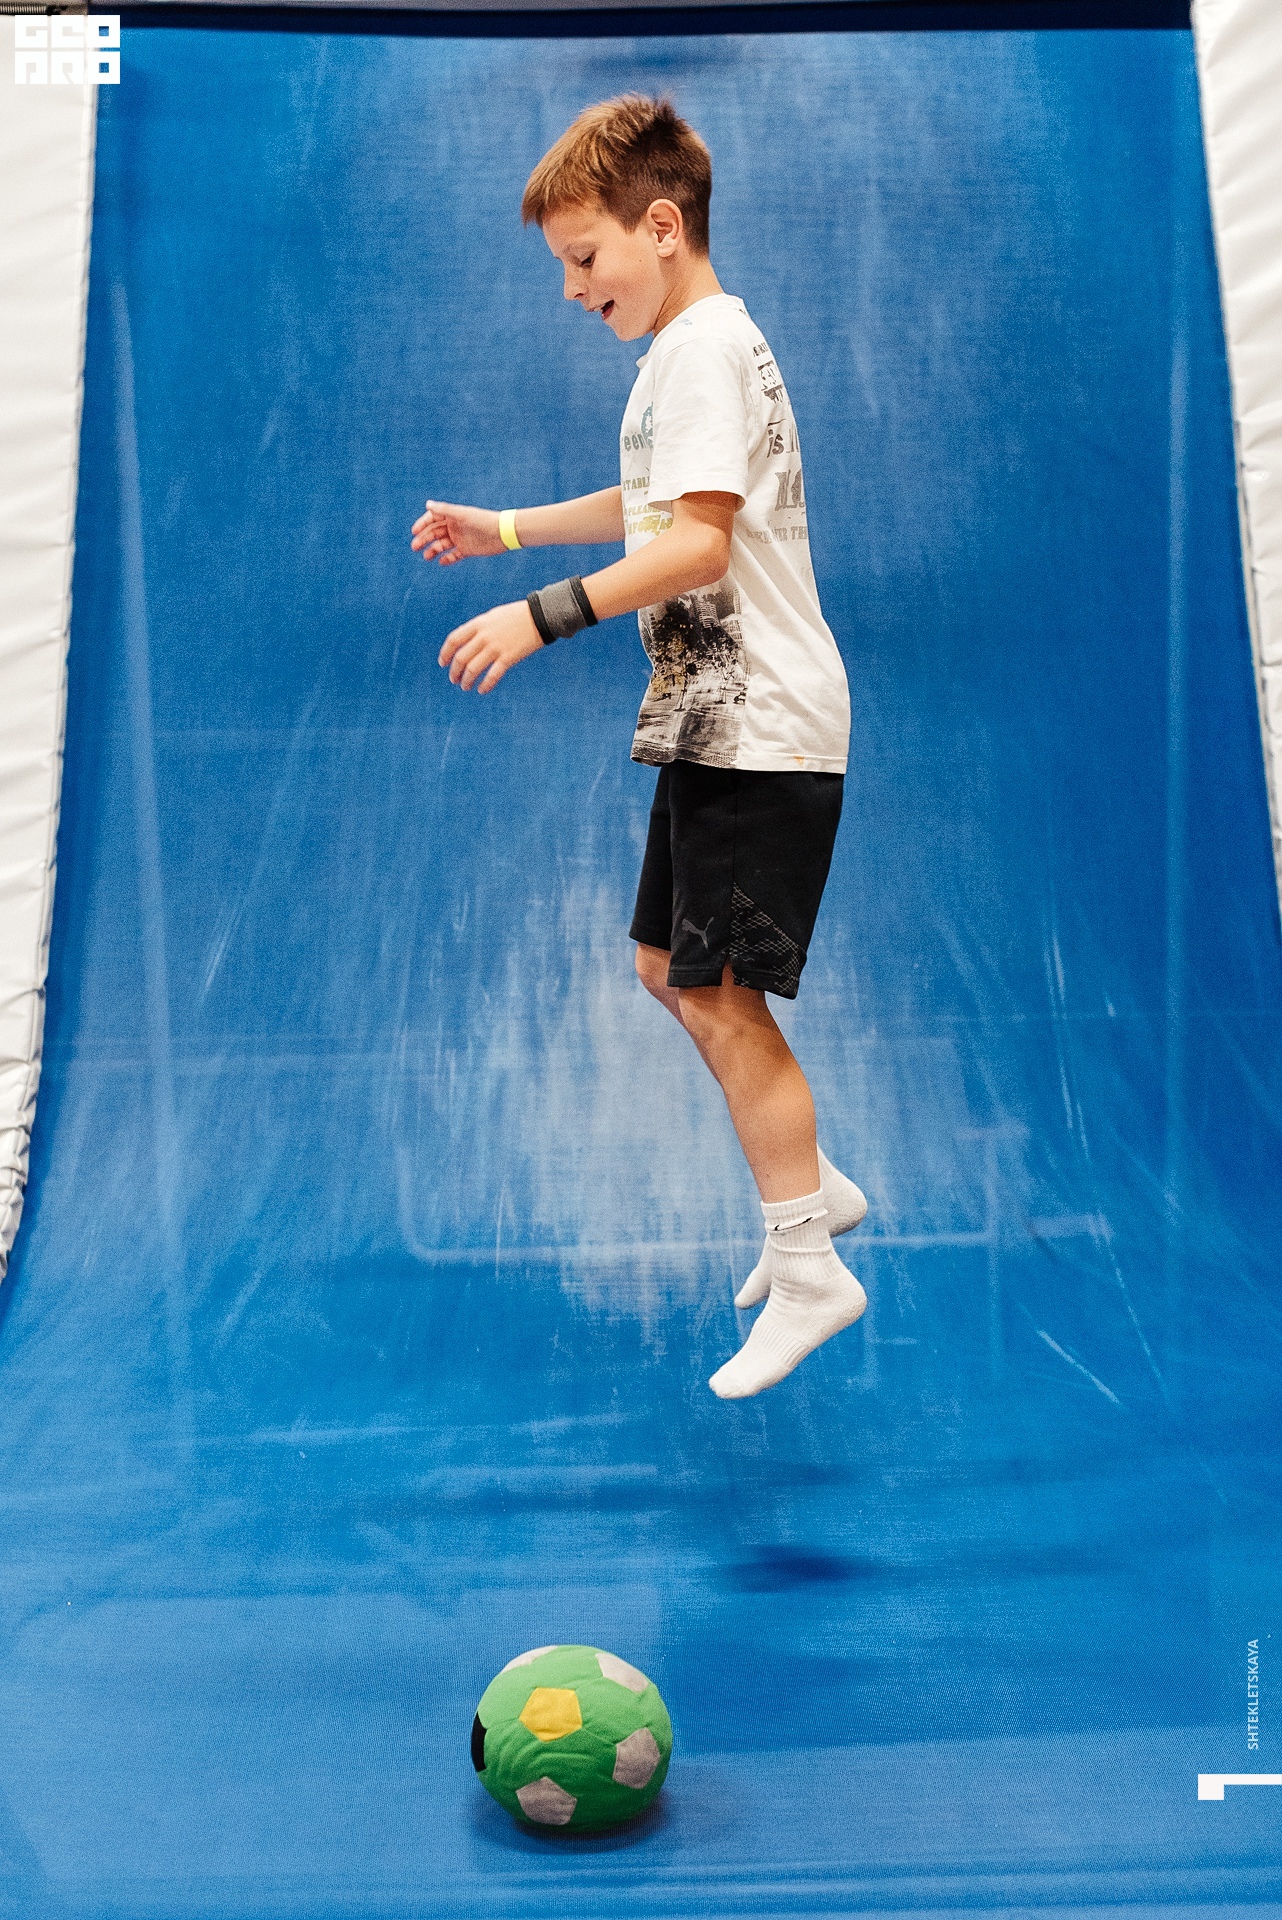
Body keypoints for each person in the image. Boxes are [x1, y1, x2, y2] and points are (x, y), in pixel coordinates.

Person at [410, 95, 867, 1399]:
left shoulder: (705, 350)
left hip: (758, 728)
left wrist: (538, 614)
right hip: (712, 719)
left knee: (721, 995)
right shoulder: (689, 351)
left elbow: (696, 545)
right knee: (666, 966)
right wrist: (503, 529)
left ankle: (808, 1267)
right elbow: (654, 499)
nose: (571, 288)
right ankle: (809, 1178)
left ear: (661, 227)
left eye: (583, 256)